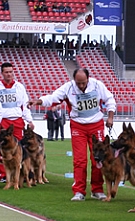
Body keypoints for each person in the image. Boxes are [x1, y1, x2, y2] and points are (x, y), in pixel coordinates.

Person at [30, 68, 116, 201]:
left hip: (96, 124)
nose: (81, 86)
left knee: (98, 159)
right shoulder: (68, 88)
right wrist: (39, 101)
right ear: (74, 80)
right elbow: (53, 97)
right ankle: (79, 191)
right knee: (79, 160)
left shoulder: (97, 85)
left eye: (83, 83)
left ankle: (97, 189)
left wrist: (110, 117)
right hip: (78, 126)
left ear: (88, 79)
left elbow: (110, 99)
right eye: (78, 83)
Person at [0, 62, 34, 141]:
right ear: (2, 73)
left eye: (11, 72)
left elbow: (25, 105)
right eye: (6, 72)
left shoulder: (19, 87)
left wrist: (29, 120)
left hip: (17, 121)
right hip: (2, 121)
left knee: (18, 146)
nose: (9, 74)